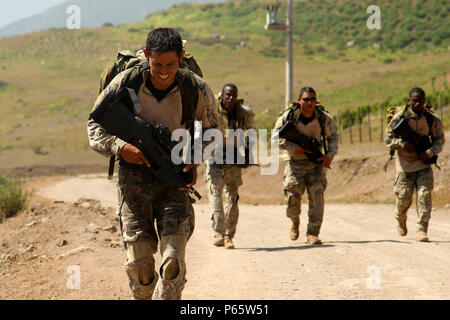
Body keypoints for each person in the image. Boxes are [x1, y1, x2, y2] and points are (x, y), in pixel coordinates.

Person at [87, 28, 219, 300]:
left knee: (173, 262)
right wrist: (121, 147)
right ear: (146, 56)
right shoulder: (126, 82)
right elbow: (94, 125)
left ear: (181, 57)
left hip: (174, 177)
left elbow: (213, 132)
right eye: (157, 64)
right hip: (133, 180)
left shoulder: (194, 87)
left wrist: (194, 159)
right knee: (141, 266)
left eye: (171, 64)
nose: (163, 71)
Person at [274, 87, 339, 245]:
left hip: (315, 163)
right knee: (292, 197)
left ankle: (313, 233)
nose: (310, 103)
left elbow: (333, 137)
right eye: (306, 99)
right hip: (294, 162)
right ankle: (294, 221)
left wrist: (330, 156)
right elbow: (275, 138)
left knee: (317, 197)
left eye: (312, 99)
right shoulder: (288, 117)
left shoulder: (323, 117)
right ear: (299, 101)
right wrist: (294, 147)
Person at [385, 87, 445, 242]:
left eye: (420, 100)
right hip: (405, 164)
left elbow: (440, 139)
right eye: (414, 100)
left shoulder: (431, 119)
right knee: (404, 197)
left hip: (423, 163)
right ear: (409, 100)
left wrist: (430, 152)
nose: (417, 103)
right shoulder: (400, 118)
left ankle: (421, 229)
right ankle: (400, 217)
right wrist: (402, 143)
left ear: (424, 101)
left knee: (424, 195)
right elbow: (387, 138)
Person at [205, 83, 255, 249]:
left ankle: (228, 235)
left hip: (234, 157)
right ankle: (218, 232)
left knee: (232, 196)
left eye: (233, 95)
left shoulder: (244, 113)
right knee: (215, 193)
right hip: (213, 156)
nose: (230, 98)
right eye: (227, 95)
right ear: (222, 95)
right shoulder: (212, 109)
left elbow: (251, 132)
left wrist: (248, 152)